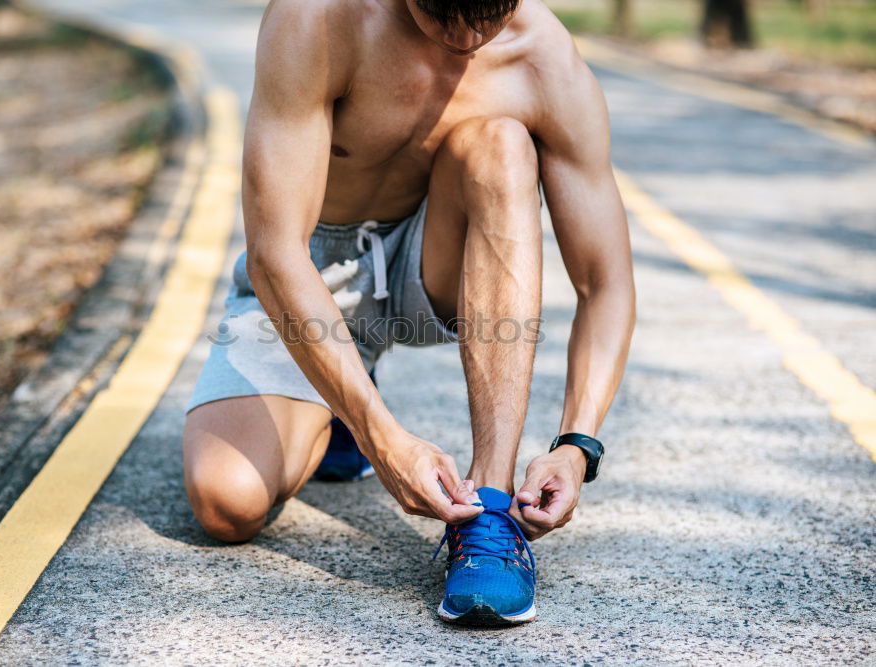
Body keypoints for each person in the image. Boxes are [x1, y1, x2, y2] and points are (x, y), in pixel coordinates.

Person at [183, 0, 635, 626]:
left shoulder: (544, 59)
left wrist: (578, 446)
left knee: (502, 144)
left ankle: (491, 511)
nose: (469, 36)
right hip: (312, 272)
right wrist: (381, 435)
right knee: (226, 504)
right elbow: (274, 254)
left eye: (491, 13)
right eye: (444, 12)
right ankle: (341, 406)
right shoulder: (317, 20)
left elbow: (605, 284)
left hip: (434, 267)